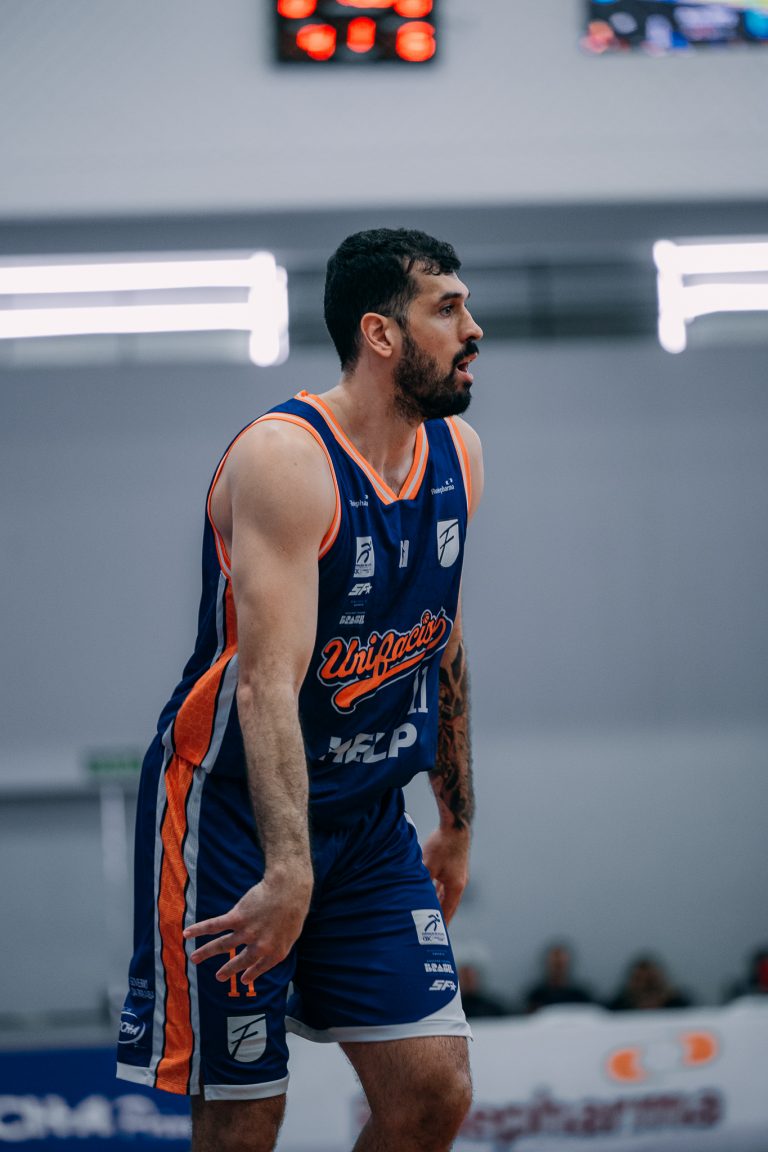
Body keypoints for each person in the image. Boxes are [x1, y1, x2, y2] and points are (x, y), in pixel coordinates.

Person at [116, 228, 484, 1152]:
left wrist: (456, 820)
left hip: (367, 821)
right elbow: (265, 685)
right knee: (245, 1120)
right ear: (380, 334)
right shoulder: (287, 459)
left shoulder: (461, 455)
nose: (473, 328)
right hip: (234, 812)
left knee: (434, 1093)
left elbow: (441, 643)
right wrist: (287, 869)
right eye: (447, 309)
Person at [523, 940, 594, 1014]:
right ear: (547, 964)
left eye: (561, 965)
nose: (558, 969)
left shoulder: (581, 996)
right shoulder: (536, 996)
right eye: (555, 965)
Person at [607, 953, 692, 1011]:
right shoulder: (616, 1009)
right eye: (639, 980)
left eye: (651, 980)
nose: (645, 986)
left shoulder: (680, 1007)